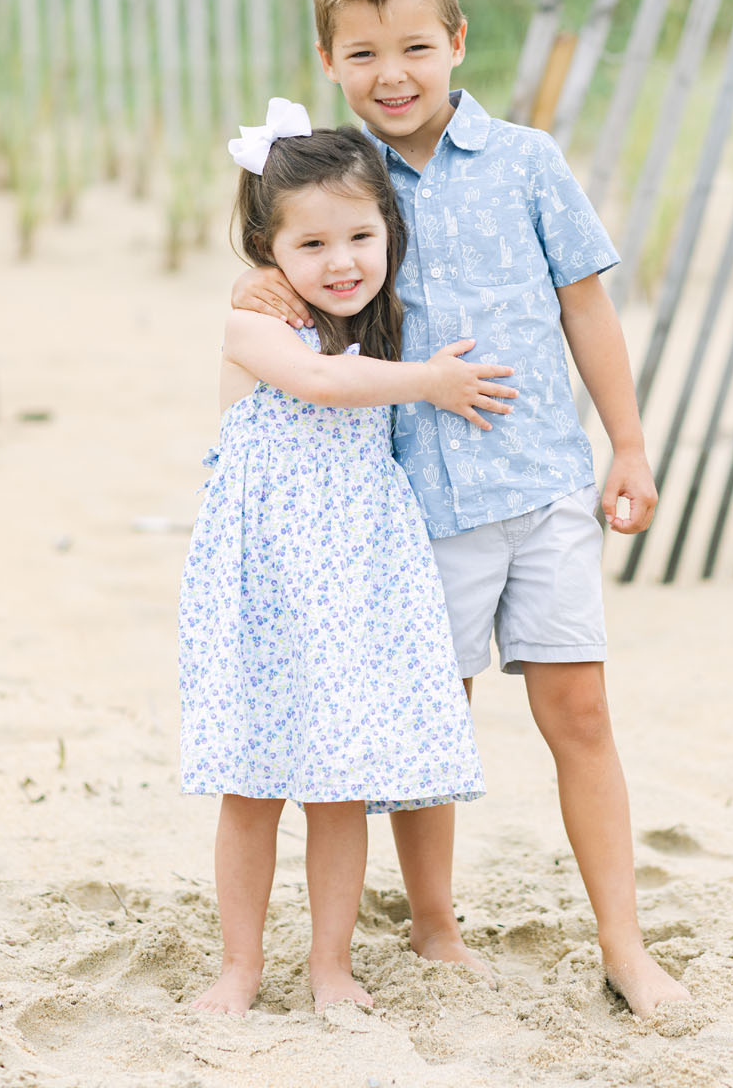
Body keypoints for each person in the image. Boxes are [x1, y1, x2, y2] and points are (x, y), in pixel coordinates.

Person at [232, 0, 691, 1017]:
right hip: (414, 505)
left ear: (456, 43)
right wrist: (257, 291)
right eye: (362, 53)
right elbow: (287, 277)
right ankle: (434, 925)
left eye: (414, 48)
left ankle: (623, 945)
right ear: (327, 58)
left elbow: (585, 305)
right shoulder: (338, 176)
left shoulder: (528, 161)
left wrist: (625, 444)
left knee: (578, 708)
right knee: (433, 717)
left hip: (541, 486)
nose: (391, 75)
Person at [181, 108, 517, 1015]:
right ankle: (239, 967)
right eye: (311, 242)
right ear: (267, 250)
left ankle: (332, 964)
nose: (342, 261)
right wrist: (430, 382)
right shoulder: (255, 328)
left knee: (339, 786)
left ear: (389, 235)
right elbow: (326, 383)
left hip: (356, 584)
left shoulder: (385, 322)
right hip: (266, 585)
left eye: (361, 236)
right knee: (251, 786)